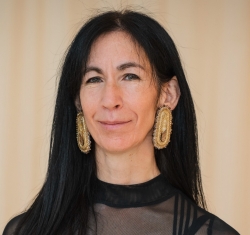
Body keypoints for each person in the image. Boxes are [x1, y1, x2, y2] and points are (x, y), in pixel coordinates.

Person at [3, 10, 239, 235]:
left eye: (130, 76)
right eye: (94, 79)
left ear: (168, 94)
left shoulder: (211, 232)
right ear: (78, 100)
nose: (110, 100)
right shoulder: (25, 230)